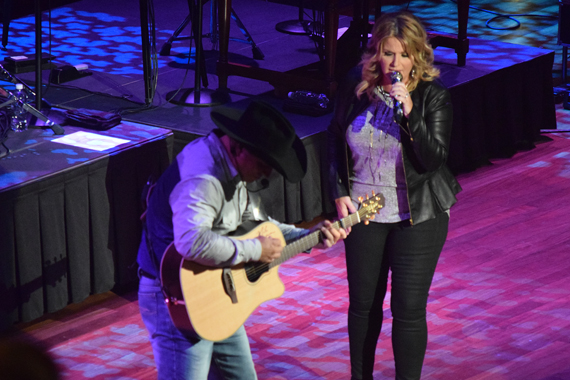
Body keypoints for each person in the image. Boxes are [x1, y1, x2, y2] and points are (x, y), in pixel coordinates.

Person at [137, 100, 346, 380]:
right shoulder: (203, 178)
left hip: (219, 289)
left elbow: (253, 225)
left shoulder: (231, 167)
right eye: (263, 164)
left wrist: (307, 237)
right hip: (178, 298)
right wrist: (255, 249)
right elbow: (192, 242)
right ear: (239, 147)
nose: (267, 174)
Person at [327, 11, 462, 380]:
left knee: (407, 310)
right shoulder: (357, 84)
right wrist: (339, 191)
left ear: (417, 56)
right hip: (364, 212)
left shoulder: (433, 96)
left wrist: (409, 111)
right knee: (363, 306)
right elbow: (333, 137)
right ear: (376, 53)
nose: (395, 63)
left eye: (404, 55)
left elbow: (432, 158)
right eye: (388, 54)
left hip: (417, 216)